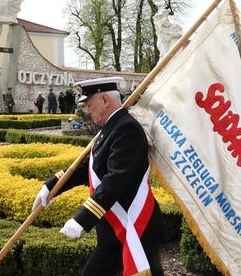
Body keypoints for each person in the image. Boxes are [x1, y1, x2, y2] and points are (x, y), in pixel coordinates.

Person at [32, 77, 164, 276]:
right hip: (114, 228)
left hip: (136, 225)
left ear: (105, 100)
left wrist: (81, 219)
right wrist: (51, 186)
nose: (87, 111)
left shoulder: (126, 129)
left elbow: (115, 180)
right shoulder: (110, 127)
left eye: (89, 104)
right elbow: (86, 167)